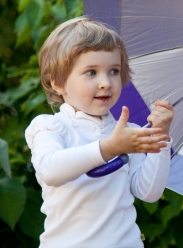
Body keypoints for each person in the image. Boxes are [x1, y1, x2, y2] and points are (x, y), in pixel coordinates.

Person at [25, 17, 174, 248]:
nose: (106, 82)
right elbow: (50, 170)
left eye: (113, 71)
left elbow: (148, 192)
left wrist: (160, 137)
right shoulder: (51, 127)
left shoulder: (127, 133)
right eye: (91, 72)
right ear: (57, 83)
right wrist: (108, 148)